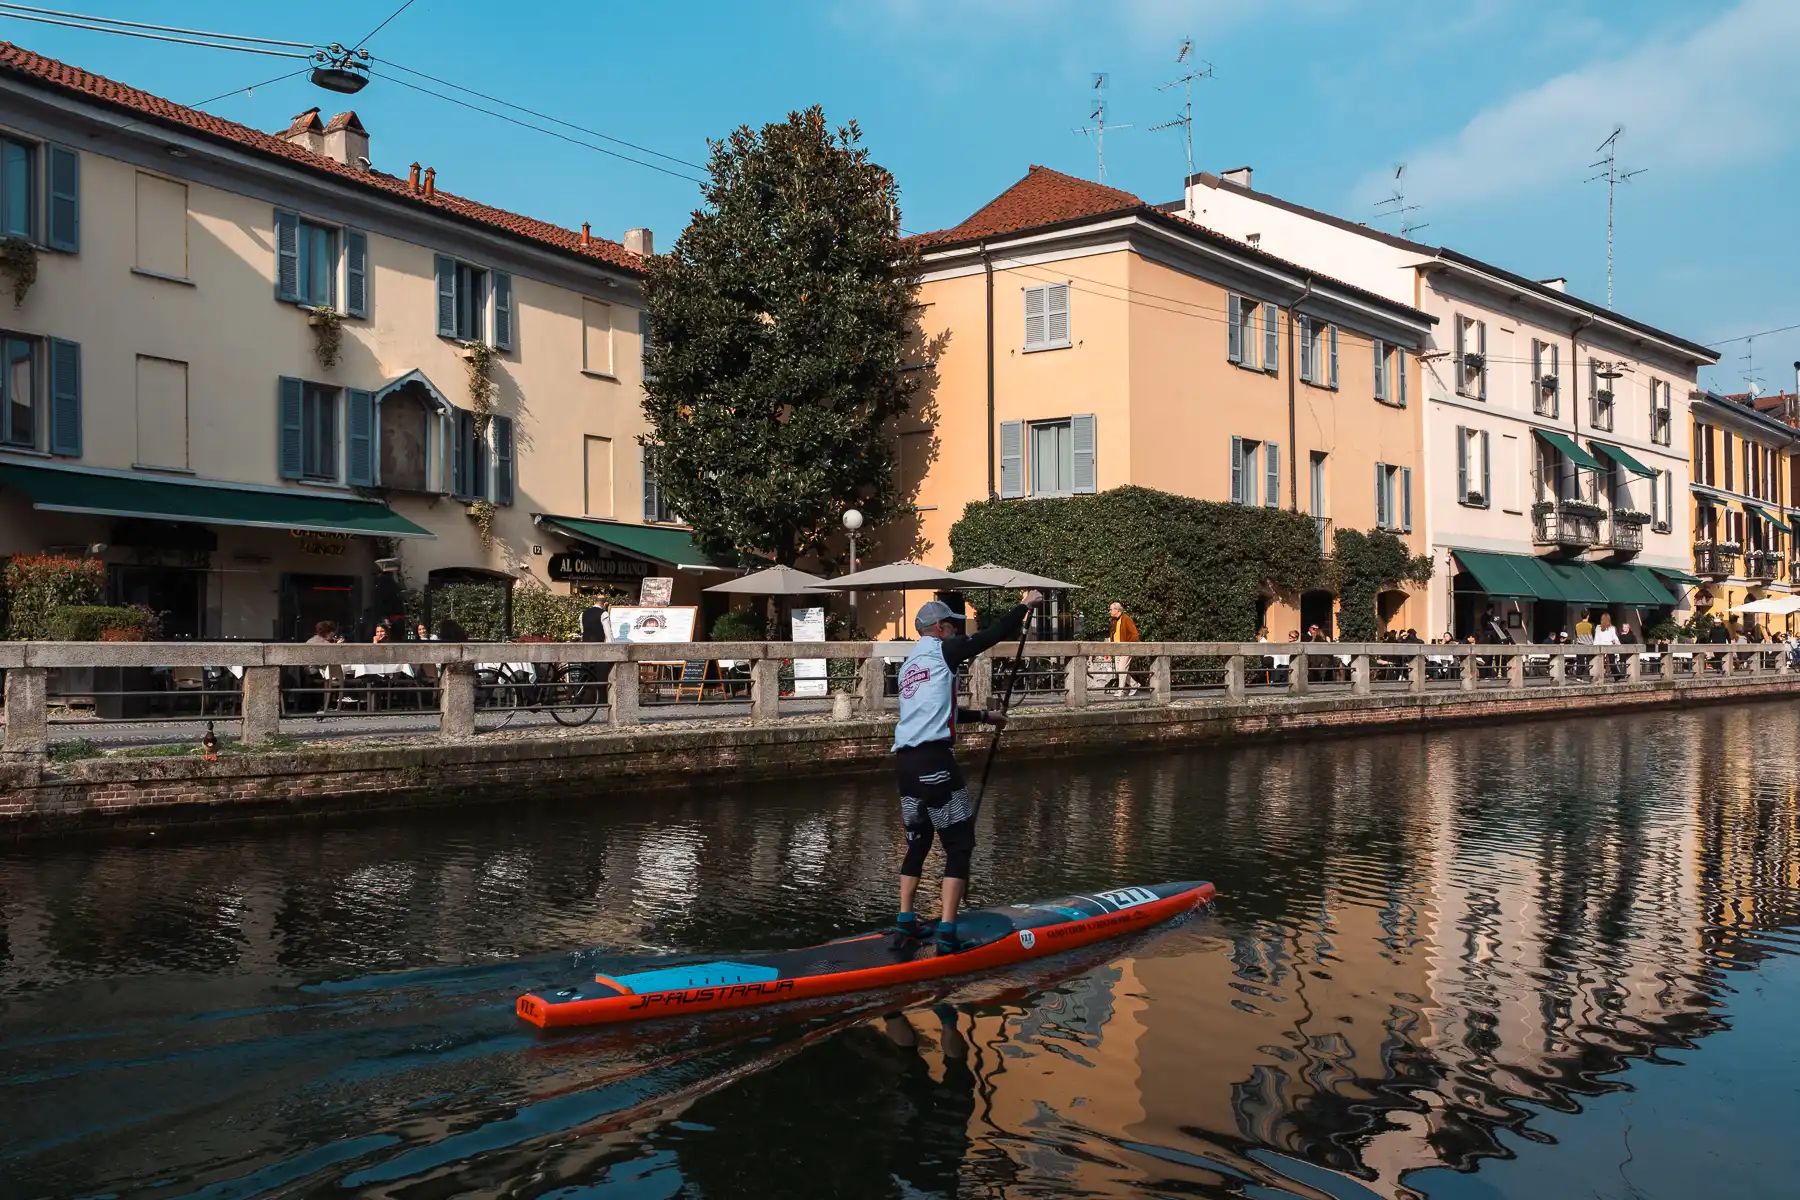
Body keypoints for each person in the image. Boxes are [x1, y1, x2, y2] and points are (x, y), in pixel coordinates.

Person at [892, 589, 1043, 955]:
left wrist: (984, 716)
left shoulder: (909, 667)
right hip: (934, 762)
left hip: (905, 766)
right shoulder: (943, 651)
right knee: (960, 845)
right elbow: (991, 636)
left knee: (918, 843)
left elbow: (938, 710)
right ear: (939, 628)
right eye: (953, 626)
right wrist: (1023, 606)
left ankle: (905, 921)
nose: (958, 633)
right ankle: (947, 933)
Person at [1107, 600, 1140, 695]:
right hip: (1117, 649)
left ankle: (1120, 690)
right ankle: (1134, 685)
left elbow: (1134, 635)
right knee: (1120, 670)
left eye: (1111, 610)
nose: (1110, 611)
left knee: (1122, 670)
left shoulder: (1126, 619)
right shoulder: (1114, 620)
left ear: (1117, 610)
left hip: (1126, 649)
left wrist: (1128, 645)